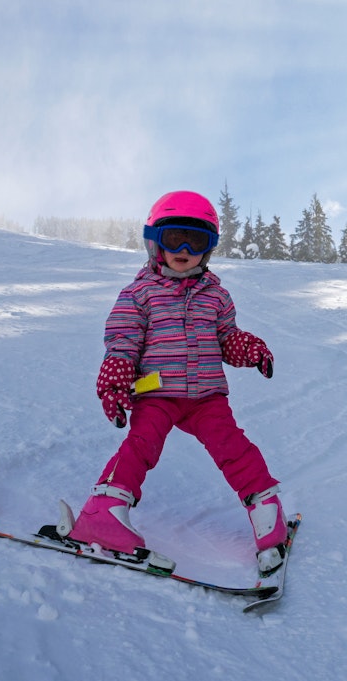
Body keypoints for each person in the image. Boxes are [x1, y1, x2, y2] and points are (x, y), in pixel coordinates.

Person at [59, 190, 288, 576]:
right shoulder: (138, 294)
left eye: (196, 240)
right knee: (141, 446)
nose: (184, 248)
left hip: (206, 396)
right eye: (173, 237)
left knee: (233, 447)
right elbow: (123, 341)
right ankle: (105, 512)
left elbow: (226, 337)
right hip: (157, 392)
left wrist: (249, 349)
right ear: (154, 243)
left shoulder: (216, 295)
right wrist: (115, 381)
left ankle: (266, 507)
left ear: (209, 249)